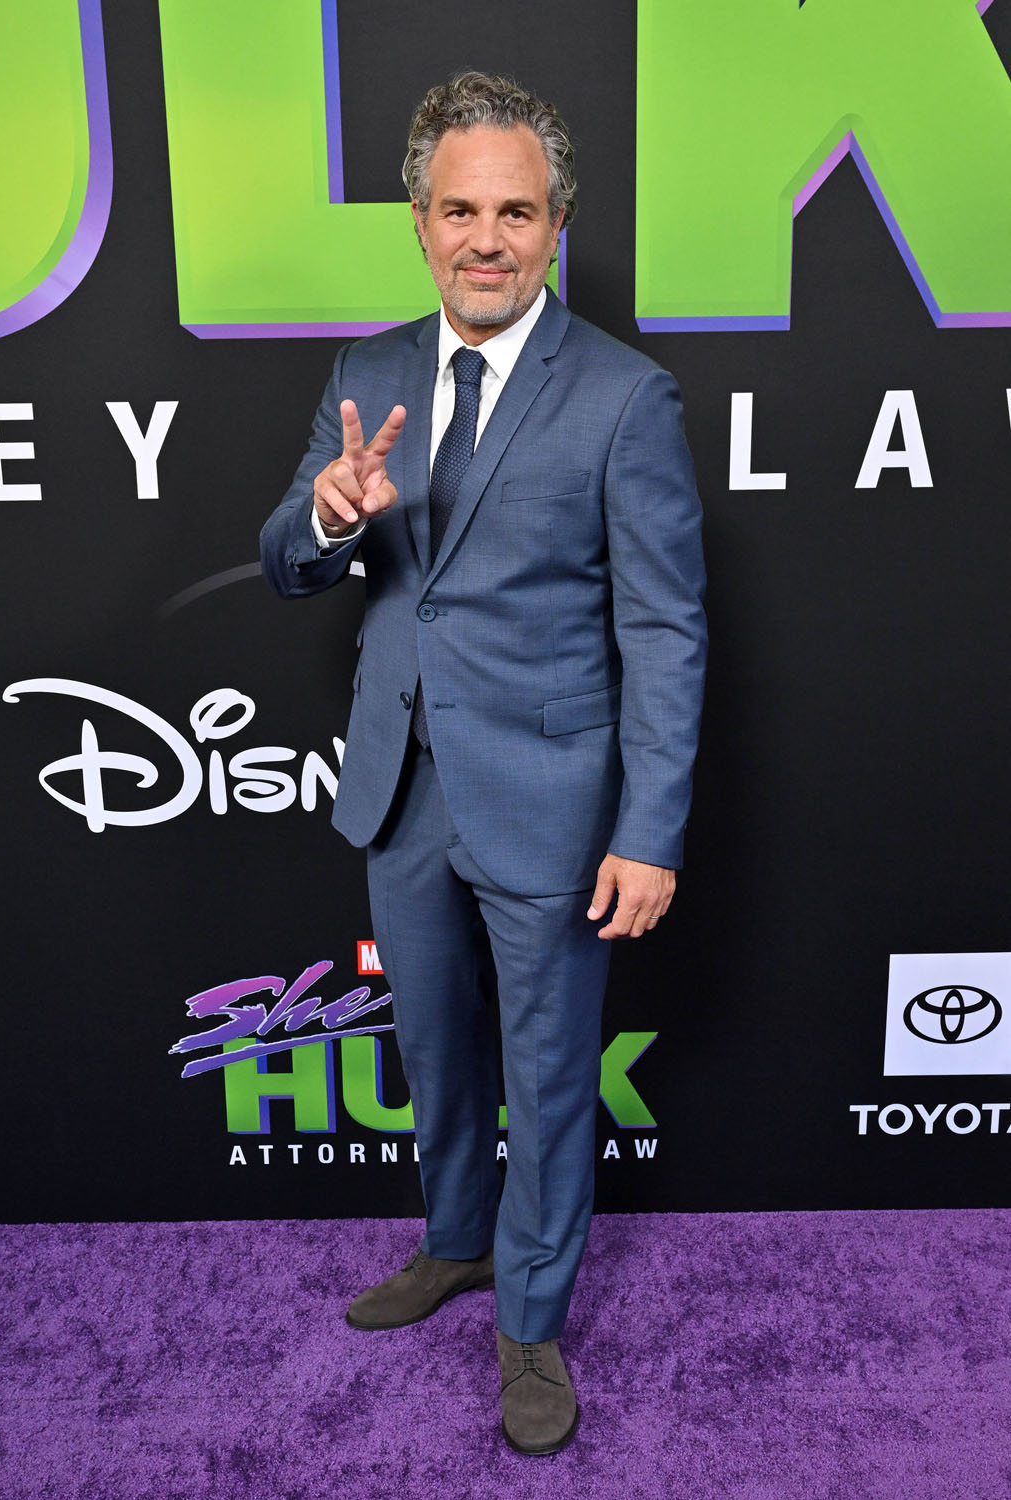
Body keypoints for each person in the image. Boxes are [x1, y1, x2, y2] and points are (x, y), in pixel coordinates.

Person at [260, 71, 706, 1455]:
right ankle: (454, 1240)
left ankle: (529, 1320)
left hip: (553, 801)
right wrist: (331, 517)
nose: (486, 239)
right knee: (433, 1048)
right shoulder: (366, 372)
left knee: (551, 1073)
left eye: (516, 212)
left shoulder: (625, 397)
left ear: (556, 225)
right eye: (460, 211)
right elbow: (286, 557)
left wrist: (650, 828)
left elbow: (664, 628)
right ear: (419, 222)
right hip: (401, 784)